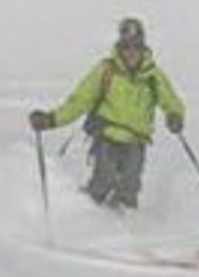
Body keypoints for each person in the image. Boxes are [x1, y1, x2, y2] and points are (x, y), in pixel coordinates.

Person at [28, 17, 186, 211]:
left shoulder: (153, 76)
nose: (131, 52)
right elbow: (80, 100)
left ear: (142, 47)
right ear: (120, 46)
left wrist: (175, 116)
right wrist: (51, 119)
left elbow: (171, 100)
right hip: (106, 135)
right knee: (103, 179)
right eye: (126, 47)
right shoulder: (106, 70)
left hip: (136, 139)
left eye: (136, 47)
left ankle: (121, 226)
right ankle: (84, 214)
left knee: (130, 186)